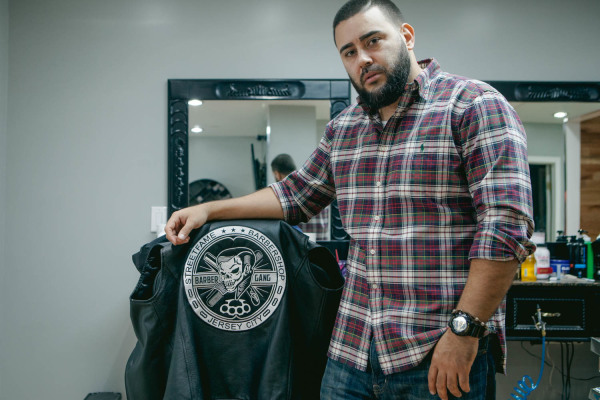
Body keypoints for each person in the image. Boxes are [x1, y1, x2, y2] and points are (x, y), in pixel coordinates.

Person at [165, 0, 535, 398]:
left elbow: (505, 226)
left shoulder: (473, 105)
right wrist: (208, 209)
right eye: (349, 51)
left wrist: (465, 331)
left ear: (406, 37)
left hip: (435, 348)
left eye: (373, 41)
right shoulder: (345, 129)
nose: (363, 59)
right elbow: (295, 195)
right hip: (352, 353)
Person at [271, 153, 330, 241]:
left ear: (277, 174)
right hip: (323, 247)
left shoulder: (278, 194)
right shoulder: (318, 188)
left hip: (299, 250)